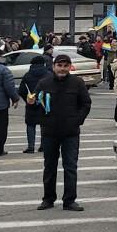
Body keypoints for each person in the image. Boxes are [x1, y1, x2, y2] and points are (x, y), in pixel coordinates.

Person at [35, 54, 91, 211]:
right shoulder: (44, 83)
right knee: (49, 166)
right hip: (49, 132)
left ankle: (69, 200)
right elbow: (35, 102)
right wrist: (38, 112)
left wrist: (77, 120)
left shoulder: (77, 83)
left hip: (70, 133)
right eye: (59, 66)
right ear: (53, 67)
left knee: (70, 167)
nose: (62, 69)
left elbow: (86, 104)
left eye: (65, 66)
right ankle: (48, 199)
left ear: (70, 67)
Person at [18, 55, 51, 153]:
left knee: (30, 124)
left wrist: (28, 99)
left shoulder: (27, 75)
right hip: (45, 103)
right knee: (44, 124)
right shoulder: (48, 74)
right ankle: (43, 145)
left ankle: (31, 147)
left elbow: (21, 90)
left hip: (31, 103)